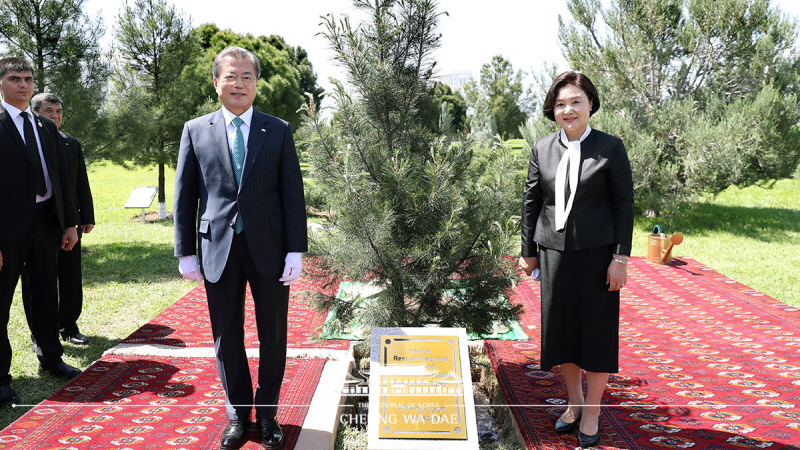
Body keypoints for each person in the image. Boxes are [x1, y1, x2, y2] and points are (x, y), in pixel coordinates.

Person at [173, 46, 307, 450]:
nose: (239, 84)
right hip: (217, 248)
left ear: (257, 85)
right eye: (231, 76)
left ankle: (266, 415)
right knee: (226, 336)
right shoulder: (196, 129)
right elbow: (184, 195)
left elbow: (292, 195)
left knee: (273, 335)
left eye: (247, 76)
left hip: (269, 248)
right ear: (216, 82)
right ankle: (238, 413)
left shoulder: (277, 129)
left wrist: (295, 250)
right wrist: (185, 252)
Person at [519, 71, 634, 448]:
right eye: (560, 104)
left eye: (575, 102)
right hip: (553, 255)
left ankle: (594, 410)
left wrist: (621, 258)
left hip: (599, 255)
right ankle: (574, 403)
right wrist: (528, 252)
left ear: (590, 105)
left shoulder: (611, 148)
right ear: (553, 110)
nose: (568, 109)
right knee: (563, 332)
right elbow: (532, 201)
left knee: (597, 334)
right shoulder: (541, 148)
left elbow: (623, 205)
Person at [0, 57, 82, 407]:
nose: (23, 85)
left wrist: (70, 222)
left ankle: (51, 355)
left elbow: (62, 179)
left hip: (47, 223)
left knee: (45, 293)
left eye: (29, 79)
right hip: (6, 230)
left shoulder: (44, 126)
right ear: (1, 83)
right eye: (15, 78)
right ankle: (0, 379)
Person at [25, 93, 95, 346]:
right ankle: (40, 332)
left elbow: (80, 183)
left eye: (58, 111)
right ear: (34, 113)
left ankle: (69, 324)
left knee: (70, 275)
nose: (55, 116)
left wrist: (86, 216)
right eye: (48, 111)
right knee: (37, 279)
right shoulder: (28, 144)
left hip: (68, 221)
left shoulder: (70, 143)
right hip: (39, 221)